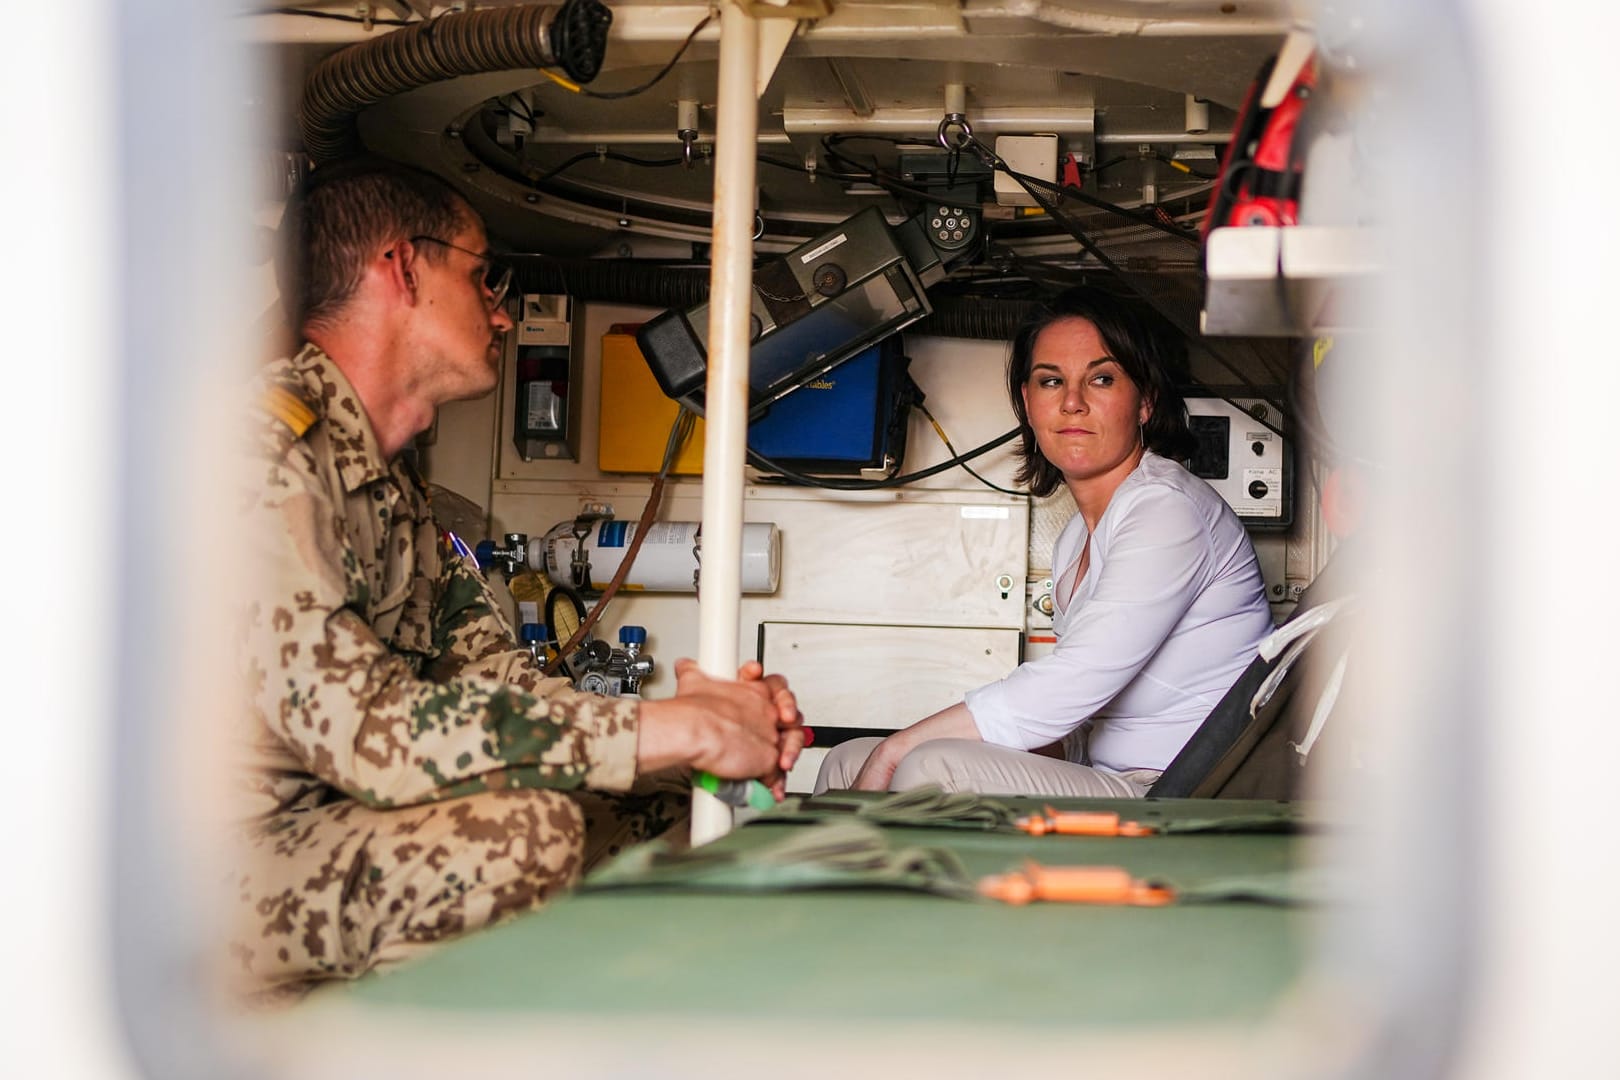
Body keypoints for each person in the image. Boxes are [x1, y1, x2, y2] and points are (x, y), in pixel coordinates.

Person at [232, 158, 804, 997]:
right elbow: (371, 736)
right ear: (401, 268)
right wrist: (679, 728)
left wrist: (689, 731)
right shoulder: (259, 456)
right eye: (480, 276)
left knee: (662, 801)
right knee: (521, 835)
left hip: (331, 824)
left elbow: (494, 684)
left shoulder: (398, 490)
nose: (501, 313)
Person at [815, 287, 1271, 798]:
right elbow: (1071, 720)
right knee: (845, 760)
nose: (1072, 403)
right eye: (1051, 381)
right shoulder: (1078, 537)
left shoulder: (1169, 508)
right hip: (1106, 775)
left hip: (1174, 790)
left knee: (927, 767)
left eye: (1101, 379)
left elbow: (1073, 683)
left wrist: (897, 749)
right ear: (1029, 404)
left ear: (1144, 402)